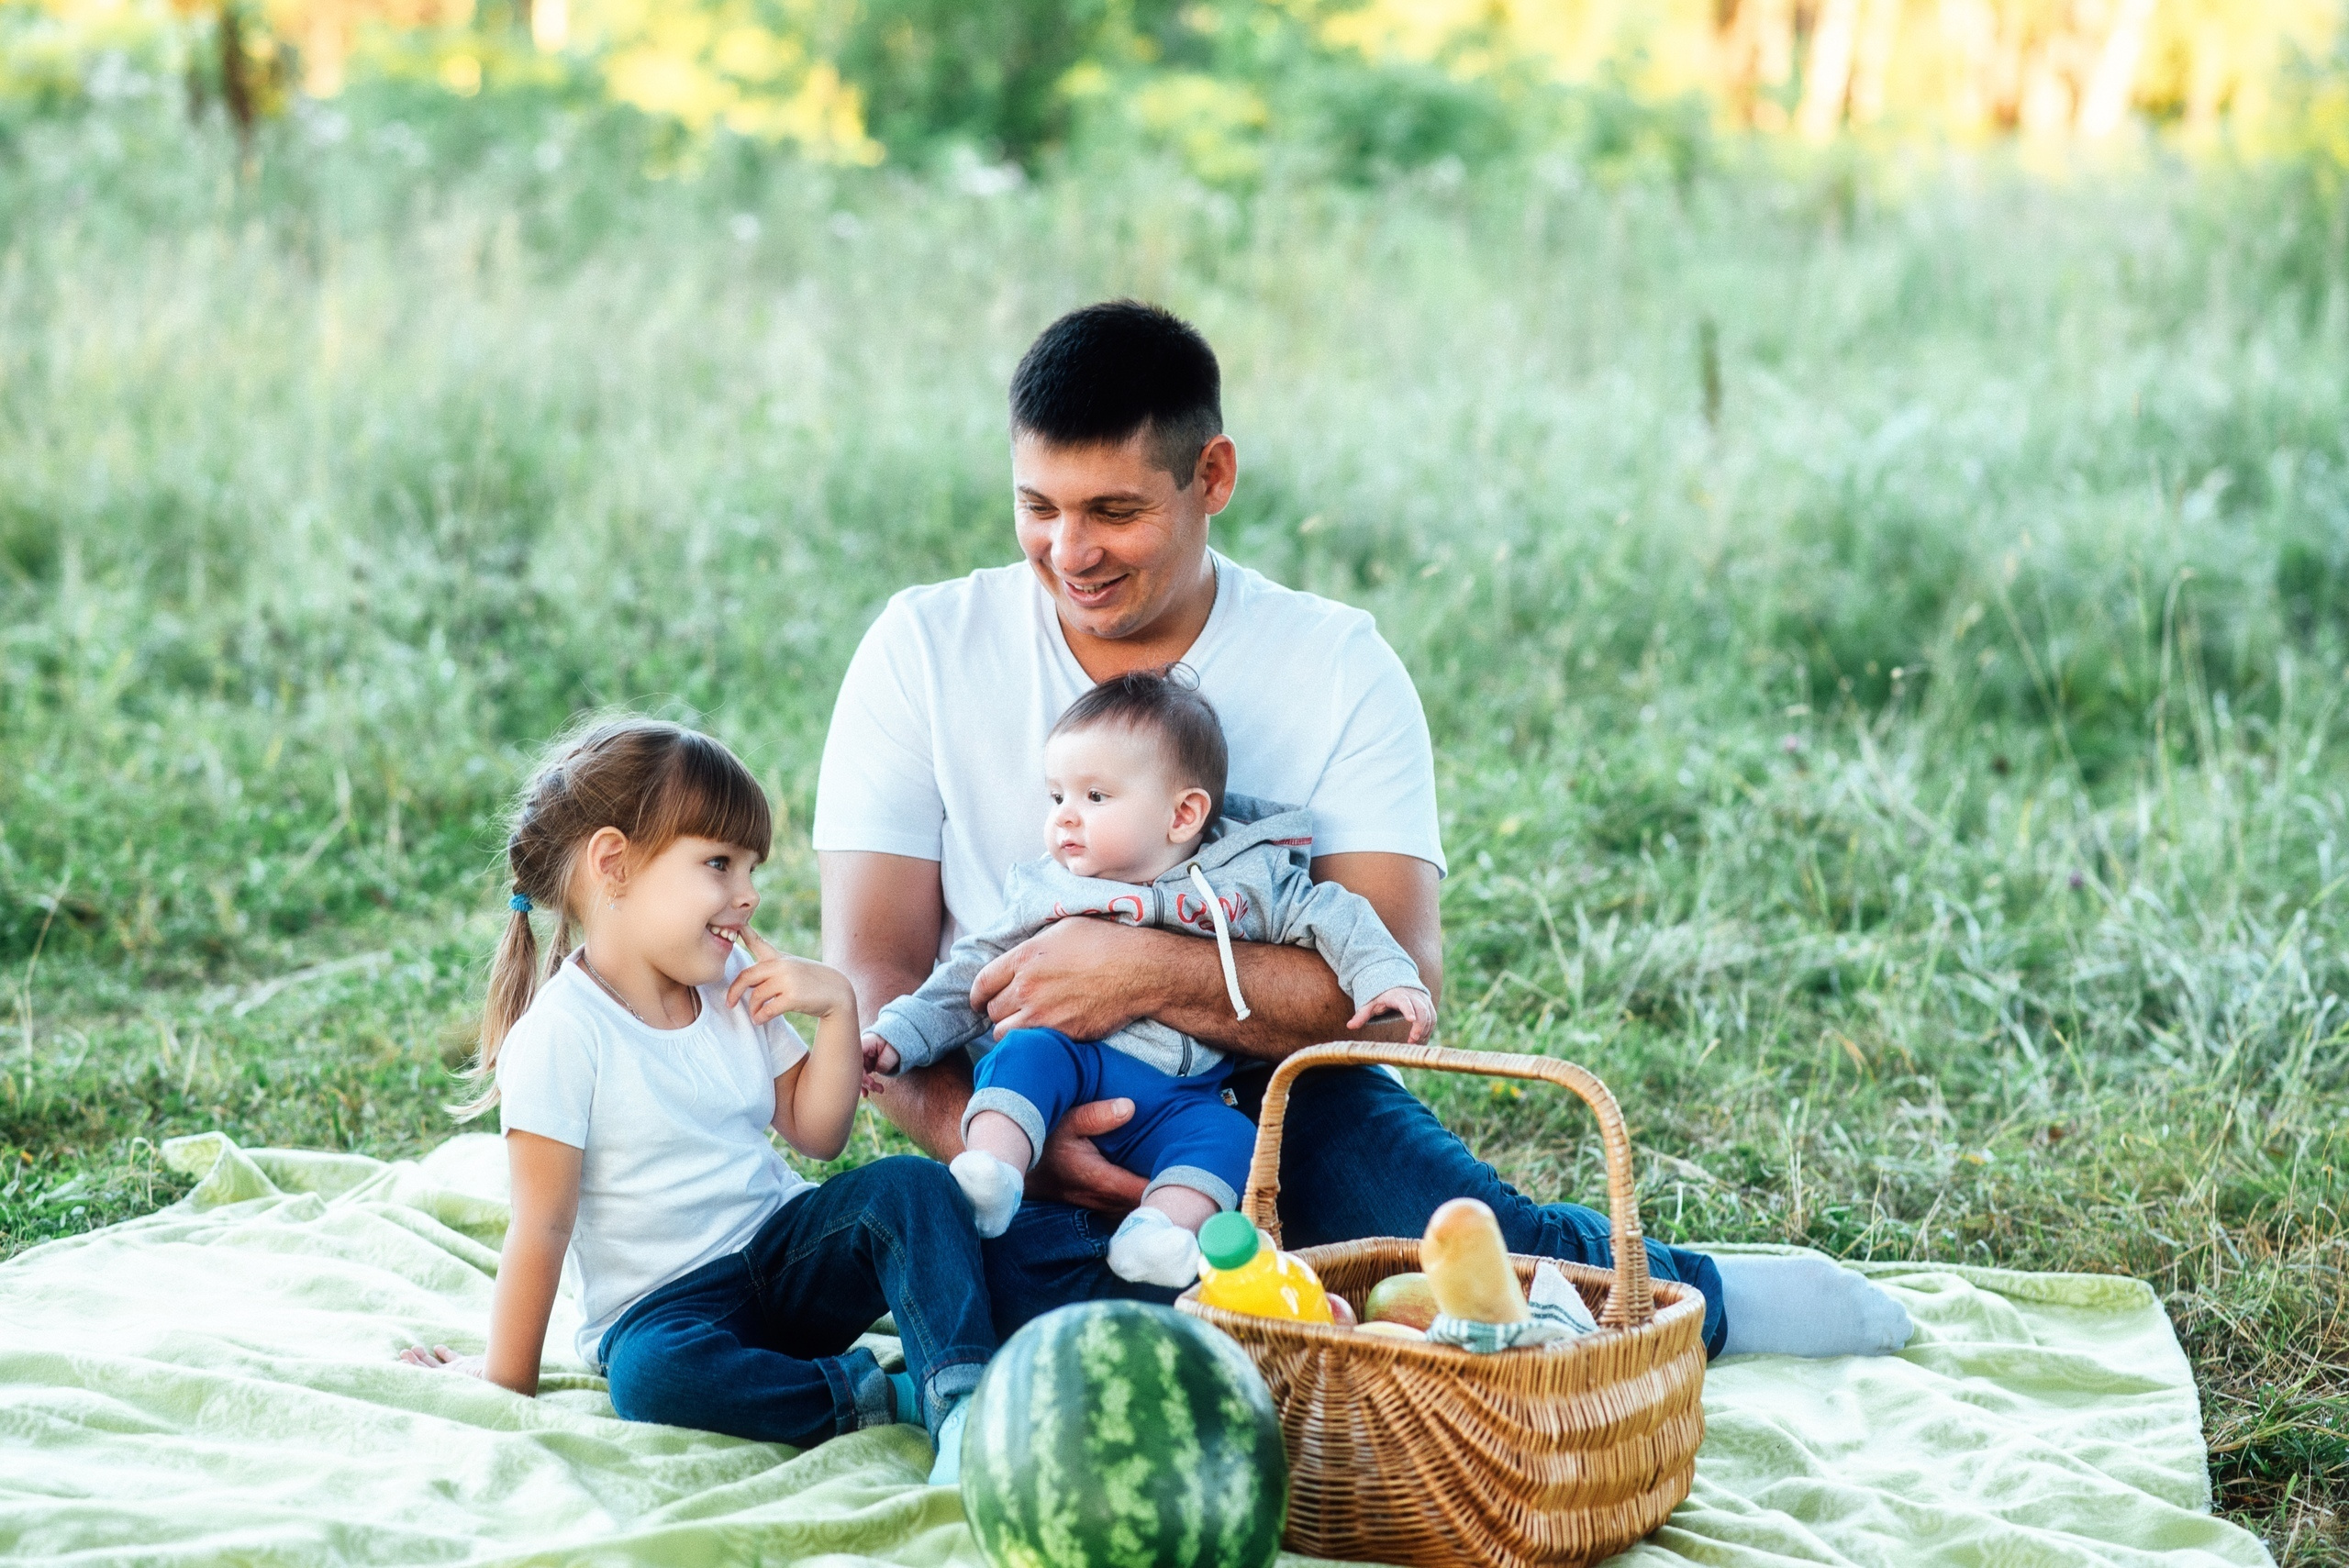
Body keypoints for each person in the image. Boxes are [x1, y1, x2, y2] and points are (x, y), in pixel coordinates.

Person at [816, 299, 1911, 1361]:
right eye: (1038, 506)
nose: (1069, 550)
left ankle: (1698, 1296)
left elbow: (1397, 999)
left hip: (1279, 1086)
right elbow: (873, 975)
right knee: (1070, 1341)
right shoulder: (924, 647)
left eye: (1113, 512)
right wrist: (1001, 1138)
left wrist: (1139, 968)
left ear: (1214, 477)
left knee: (1469, 1276)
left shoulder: (1337, 665)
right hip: (1021, 1086)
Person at [399, 717, 997, 1485]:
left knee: (911, 1189)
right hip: (670, 1311)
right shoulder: (561, 1035)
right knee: (650, 1378)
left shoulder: (727, 991)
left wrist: (839, 1008)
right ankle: (876, 1396)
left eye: (751, 868)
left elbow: (819, 1134)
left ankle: (968, 1399)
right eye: (719, 863)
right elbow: (541, 1224)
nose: (746, 896)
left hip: (784, 1256)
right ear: (613, 864)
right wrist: (503, 1378)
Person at [861, 665, 1434, 1288]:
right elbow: (972, 973)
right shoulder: (1051, 891)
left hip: (1185, 1093)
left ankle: (1159, 1233)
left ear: (1183, 814)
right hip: (1074, 1068)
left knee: (1229, 1137)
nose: (1065, 819)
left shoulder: (1246, 882)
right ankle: (993, 1169)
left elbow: (1334, 913)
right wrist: (899, 1034)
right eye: (1058, 797)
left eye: (1095, 797)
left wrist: (1383, 976)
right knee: (1025, 1052)